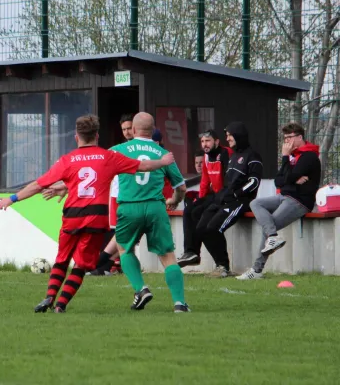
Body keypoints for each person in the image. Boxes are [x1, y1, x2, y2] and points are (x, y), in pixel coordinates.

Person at [0, 114, 174, 313]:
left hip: (72, 216)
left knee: (62, 259)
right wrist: (163, 160)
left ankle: (49, 297)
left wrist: (11, 199)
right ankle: (61, 305)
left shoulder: (68, 160)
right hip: (96, 219)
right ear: (97, 136)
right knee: (81, 265)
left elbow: (38, 185)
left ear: (76, 137)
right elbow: (143, 166)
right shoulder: (109, 157)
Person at [112, 112, 191, 313]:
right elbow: (181, 188)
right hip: (156, 207)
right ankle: (179, 303)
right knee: (167, 256)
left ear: (134, 129)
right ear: (153, 129)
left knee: (124, 250)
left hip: (129, 206)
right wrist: (174, 200)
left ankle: (141, 289)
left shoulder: (118, 150)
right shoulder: (162, 153)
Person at [237, 123, 321, 280]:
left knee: (269, 226)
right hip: (284, 196)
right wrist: (292, 178)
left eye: (289, 138)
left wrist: (285, 161)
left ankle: (256, 270)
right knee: (256, 203)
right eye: (285, 138)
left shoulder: (309, 156)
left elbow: (287, 177)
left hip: (299, 201)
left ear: (300, 137)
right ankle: (273, 237)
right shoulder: (292, 157)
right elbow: (278, 181)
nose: (286, 142)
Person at [195, 122, 263, 278]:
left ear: (238, 135)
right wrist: (222, 196)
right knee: (201, 229)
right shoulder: (234, 156)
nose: (228, 139)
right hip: (224, 199)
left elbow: (254, 182)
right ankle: (220, 265)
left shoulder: (253, 156)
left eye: (229, 135)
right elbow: (227, 182)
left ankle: (223, 267)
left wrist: (236, 194)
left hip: (240, 202)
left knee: (214, 228)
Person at [87, 114, 136, 276]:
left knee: (127, 235)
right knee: (121, 234)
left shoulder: (139, 149)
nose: (127, 132)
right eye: (124, 129)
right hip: (117, 195)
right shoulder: (116, 151)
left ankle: (103, 264)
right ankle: (107, 266)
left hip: (135, 197)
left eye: (129, 128)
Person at [178, 130, 232, 267]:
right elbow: (205, 181)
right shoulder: (207, 157)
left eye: (207, 141)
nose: (205, 144)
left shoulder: (226, 154)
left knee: (200, 218)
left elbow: (229, 180)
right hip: (213, 196)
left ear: (217, 141)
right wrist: (199, 201)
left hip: (225, 196)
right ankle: (191, 252)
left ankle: (212, 260)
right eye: (202, 141)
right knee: (190, 210)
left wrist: (221, 197)